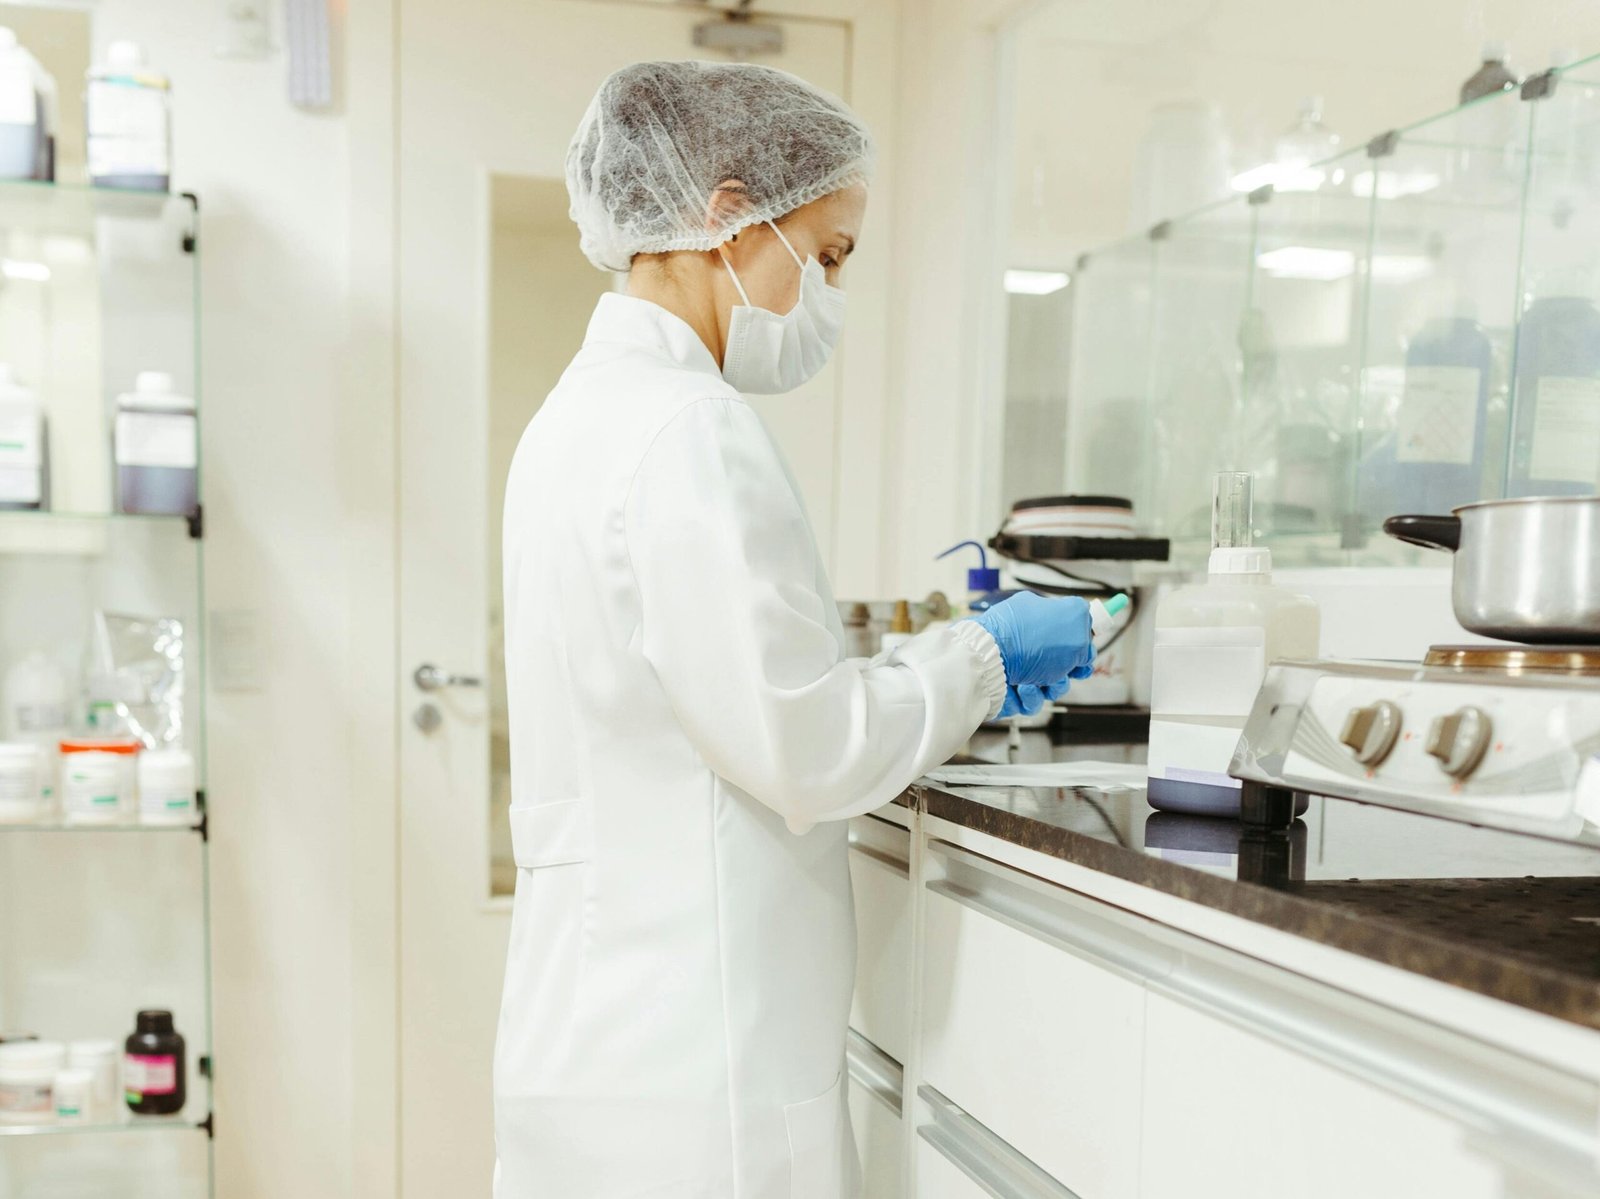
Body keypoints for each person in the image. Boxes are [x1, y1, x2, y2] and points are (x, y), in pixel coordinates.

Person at [494, 60, 1095, 1198]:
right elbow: (803, 748)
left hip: (594, 1022)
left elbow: (709, 695)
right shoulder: (687, 430)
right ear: (727, 215)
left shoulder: (575, 417)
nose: (828, 290)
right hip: (693, 1056)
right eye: (826, 254)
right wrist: (980, 655)